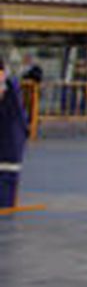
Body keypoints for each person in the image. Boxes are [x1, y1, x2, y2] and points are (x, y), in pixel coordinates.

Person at [0, 59, 25, 210]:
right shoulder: (10, 83)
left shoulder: (6, 83)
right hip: (11, 140)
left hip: (7, 143)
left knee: (5, 182)